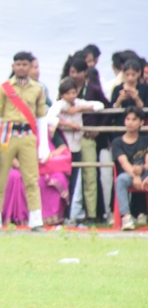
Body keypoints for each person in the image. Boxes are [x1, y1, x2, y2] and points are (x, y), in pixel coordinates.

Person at [0, 52, 49, 231]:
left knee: (31, 178)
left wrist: (43, 143)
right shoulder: (4, 87)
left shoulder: (38, 88)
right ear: (13, 66)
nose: (21, 67)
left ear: (30, 67)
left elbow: (41, 116)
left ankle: (36, 219)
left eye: (24, 64)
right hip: (7, 134)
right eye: (18, 64)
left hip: (28, 135)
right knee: (0, 178)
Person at [48, 76, 105, 224]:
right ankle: (60, 215)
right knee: (62, 182)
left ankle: (67, 216)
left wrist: (79, 109)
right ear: (62, 95)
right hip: (63, 149)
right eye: (68, 93)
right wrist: (68, 123)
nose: (71, 96)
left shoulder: (79, 103)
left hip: (76, 148)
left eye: (74, 93)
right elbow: (50, 118)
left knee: (73, 184)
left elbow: (100, 106)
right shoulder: (59, 105)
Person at [111, 108, 148, 230]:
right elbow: (124, 163)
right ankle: (126, 218)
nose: (130, 122)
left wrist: (142, 171)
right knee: (120, 179)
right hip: (128, 175)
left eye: (134, 119)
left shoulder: (145, 140)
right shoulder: (117, 142)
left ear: (141, 122)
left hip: (145, 173)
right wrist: (136, 176)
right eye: (127, 119)